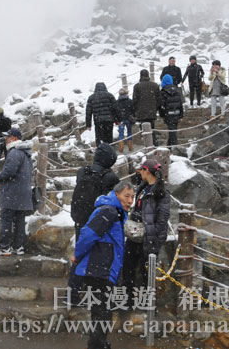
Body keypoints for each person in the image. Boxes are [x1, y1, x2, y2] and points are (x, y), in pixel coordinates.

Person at [71, 181, 135, 349]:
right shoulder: (109, 211)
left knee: (102, 311)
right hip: (99, 269)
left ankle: (98, 343)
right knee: (102, 311)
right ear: (116, 194)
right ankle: (98, 345)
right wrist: (77, 256)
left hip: (104, 269)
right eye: (126, 196)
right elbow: (88, 235)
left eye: (132, 197)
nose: (130, 201)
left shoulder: (116, 212)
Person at [120, 159, 171, 306]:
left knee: (146, 272)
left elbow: (163, 217)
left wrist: (156, 239)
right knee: (128, 267)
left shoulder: (161, 190)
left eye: (141, 170)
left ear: (147, 171)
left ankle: (148, 306)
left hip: (148, 238)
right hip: (134, 235)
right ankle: (126, 301)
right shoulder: (143, 187)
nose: (139, 173)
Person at [0, 128, 32, 256]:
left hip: (12, 192)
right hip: (23, 191)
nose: (6, 139)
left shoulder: (14, 152)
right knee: (19, 220)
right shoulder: (25, 152)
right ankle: (18, 246)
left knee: (6, 220)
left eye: (8, 137)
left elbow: (9, 171)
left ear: (14, 138)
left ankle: (4, 247)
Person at [70, 143, 120, 240]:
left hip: (80, 220)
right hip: (97, 224)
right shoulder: (110, 177)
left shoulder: (82, 171)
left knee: (81, 250)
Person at [133, 69, 160, 146]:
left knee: (144, 131)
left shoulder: (137, 86)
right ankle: (154, 144)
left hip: (141, 112)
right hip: (152, 111)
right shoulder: (154, 85)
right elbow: (159, 99)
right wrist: (156, 108)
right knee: (152, 129)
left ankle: (148, 146)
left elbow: (135, 100)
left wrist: (135, 111)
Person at [159, 74, 184, 147]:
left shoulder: (163, 92)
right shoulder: (177, 90)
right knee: (173, 130)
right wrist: (181, 115)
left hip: (168, 114)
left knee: (172, 131)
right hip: (176, 113)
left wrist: (162, 114)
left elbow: (162, 105)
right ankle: (169, 146)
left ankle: (174, 147)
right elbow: (180, 104)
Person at [115, 88, 135, 152]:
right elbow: (133, 110)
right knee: (129, 132)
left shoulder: (117, 102)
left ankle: (121, 147)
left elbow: (115, 112)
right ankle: (130, 147)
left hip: (121, 120)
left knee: (121, 133)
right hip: (128, 119)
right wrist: (133, 116)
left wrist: (117, 120)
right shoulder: (130, 101)